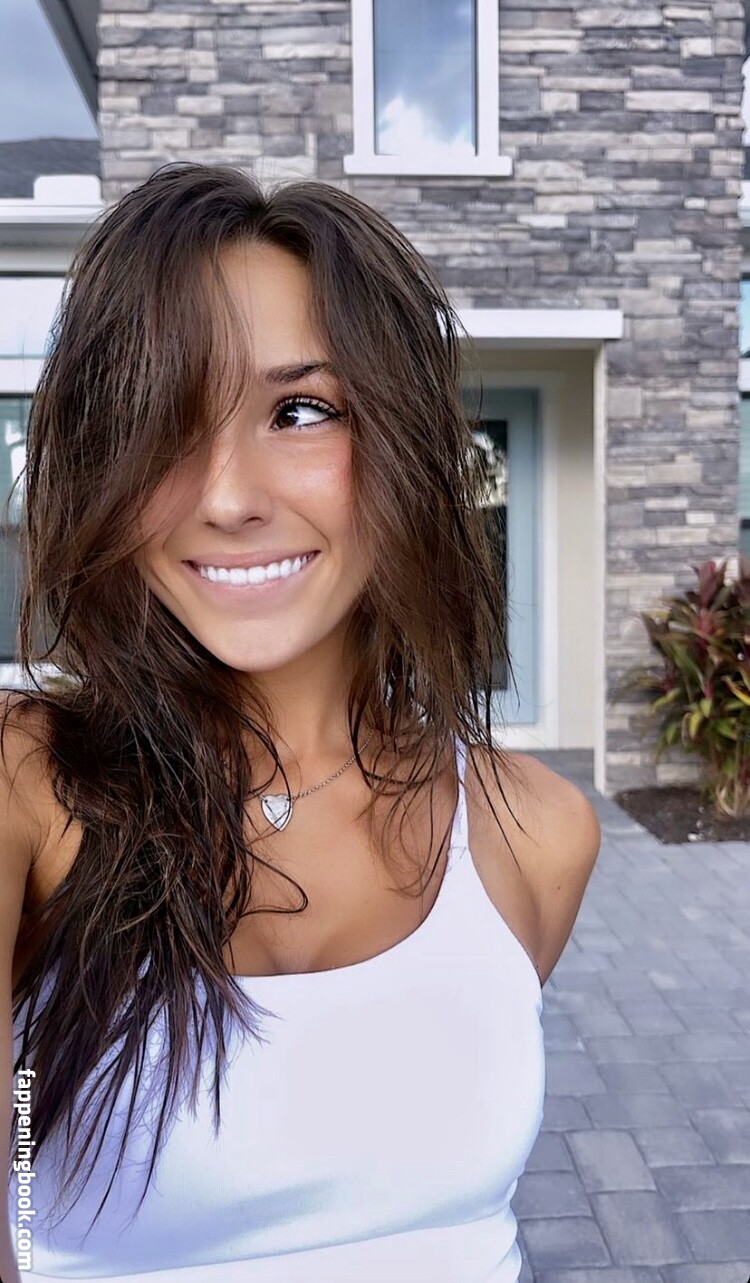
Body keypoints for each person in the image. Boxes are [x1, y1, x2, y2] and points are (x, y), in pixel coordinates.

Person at [1, 162, 601, 1283]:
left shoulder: (537, 833)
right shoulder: (28, 787)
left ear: (404, 442)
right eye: (163, 422)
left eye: (301, 411)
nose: (227, 496)